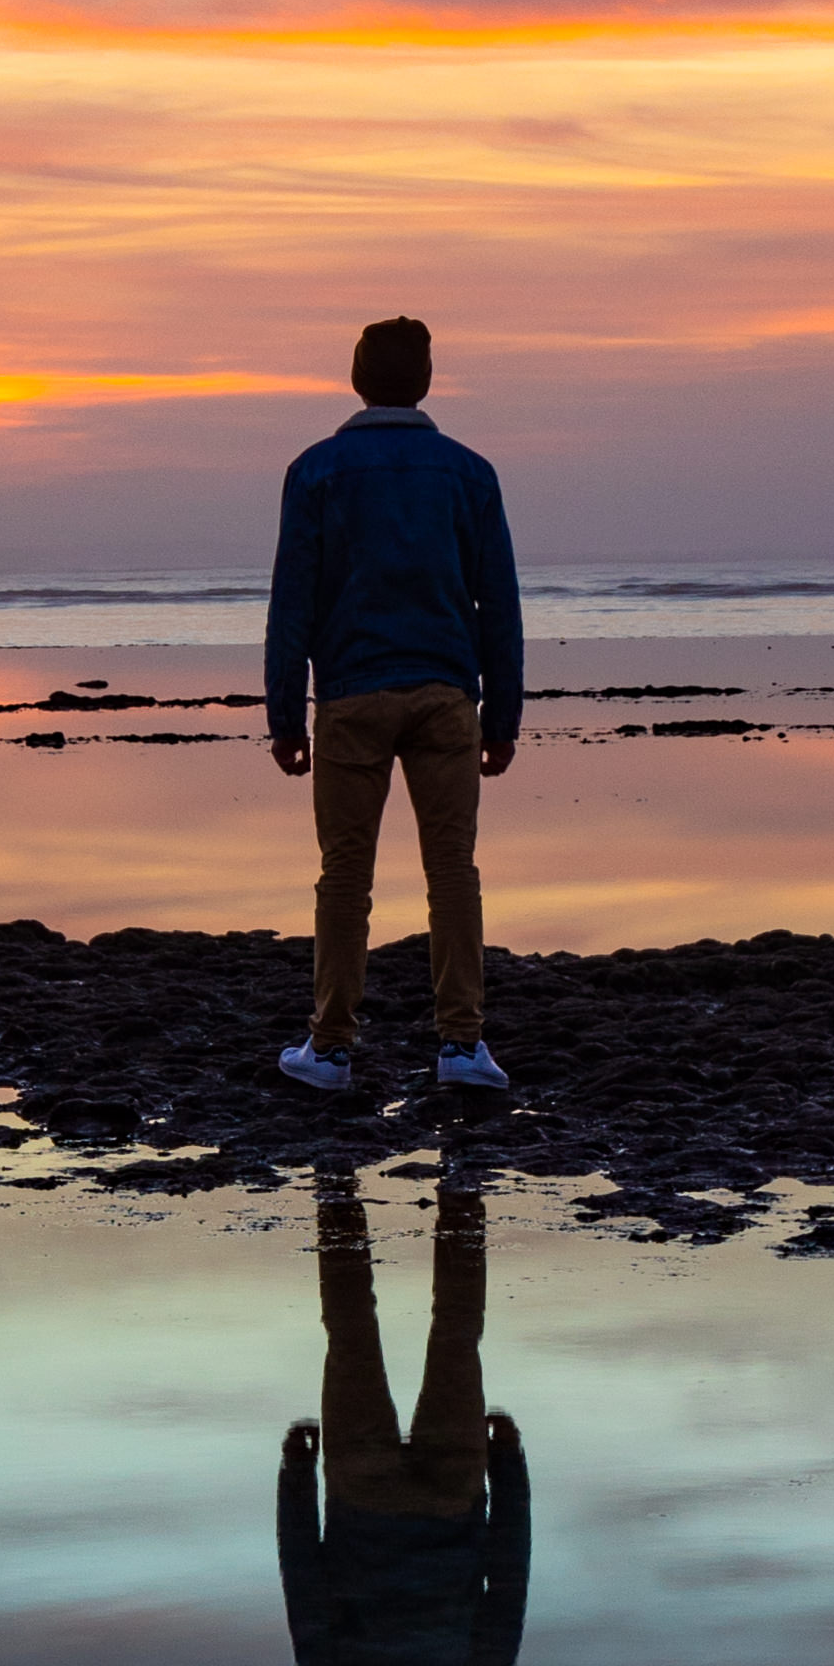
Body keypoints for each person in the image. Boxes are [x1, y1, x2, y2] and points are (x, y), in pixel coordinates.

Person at [263, 312, 523, 1094]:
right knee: (453, 872)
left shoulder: (315, 471)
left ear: (356, 377)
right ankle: (462, 1045)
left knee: (345, 874)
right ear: (427, 380)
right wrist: (503, 717)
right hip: (446, 692)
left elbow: (293, 603)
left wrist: (283, 715)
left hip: (350, 694)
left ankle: (333, 1048)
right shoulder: (469, 473)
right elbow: (498, 604)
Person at [278, 1166, 530, 1666]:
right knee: (350, 1332)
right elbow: (305, 1590)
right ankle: (336, 1192)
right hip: (363, 1494)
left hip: (452, 1496)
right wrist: (295, 1477)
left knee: (457, 1332)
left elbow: (506, 1586)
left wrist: (510, 1467)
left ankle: (463, 1188)